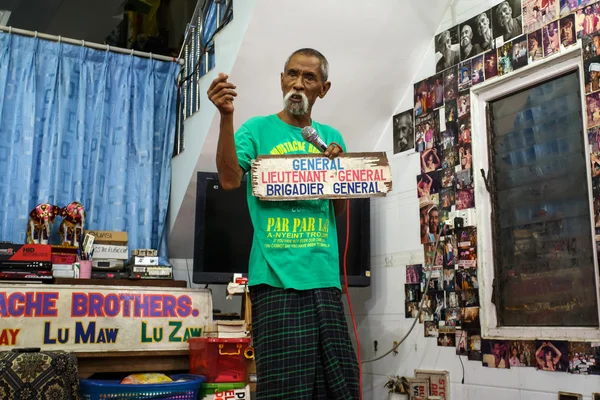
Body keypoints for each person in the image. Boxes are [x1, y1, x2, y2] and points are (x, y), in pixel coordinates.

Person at [207, 48, 359, 399]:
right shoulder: (256, 129)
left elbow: (336, 211)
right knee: (283, 390)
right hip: (275, 279)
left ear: (324, 88)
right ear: (281, 80)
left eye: (309, 78)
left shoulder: (331, 138)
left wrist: (335, 172)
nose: (298, 84)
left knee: (338, 386)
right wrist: (226, 117)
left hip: (323, 277)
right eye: (291, 74)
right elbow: (229, 180)